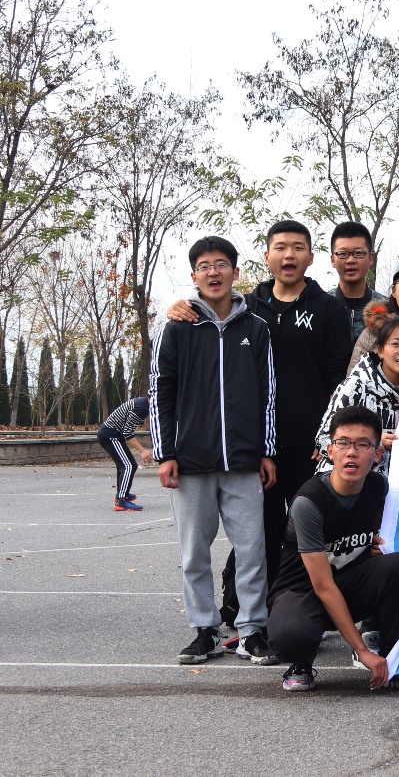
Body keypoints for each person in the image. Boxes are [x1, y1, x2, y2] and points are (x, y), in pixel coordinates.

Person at [168, 220, 352, 628]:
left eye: (298, 247)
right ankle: (247, 614)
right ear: (266, 256)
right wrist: (178, 305)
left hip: (310, 445)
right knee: (256, 536)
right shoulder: (247, 308)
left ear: (311, 257)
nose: (289, 255)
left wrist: (330, 437)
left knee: (311, 530)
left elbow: (337, 378)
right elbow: (208, 313)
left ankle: (306, 611)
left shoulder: (328, 309)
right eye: (280, 247)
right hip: (254, 446)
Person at [150, 235, 278, 667]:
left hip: (243, 461)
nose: (213, 272)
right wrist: (165, 452)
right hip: (191, 462)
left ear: (235, 272)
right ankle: (204, 628)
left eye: (221, 264)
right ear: (194, 275)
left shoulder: (255, 328)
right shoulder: (176, 328)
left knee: (252, 550)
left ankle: (251, 630)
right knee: (194, 552)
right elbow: (160, 392)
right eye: (204, 266)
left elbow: (268, 394)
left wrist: (267, 450)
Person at [267, 406, 399, 693]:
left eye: (362, 444)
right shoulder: (309, 502)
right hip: (304, 592)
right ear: (330, 451)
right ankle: (301, 662)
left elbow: (389, 534)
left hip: (348, 584)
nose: (351, 452)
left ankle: (396, 662)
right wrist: (361, 650)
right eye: (343, 443)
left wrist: (379, 547)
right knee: (290, 636)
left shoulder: (379, 488)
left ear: (377, 454)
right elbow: (323, 586)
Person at [315, 316, 399, 478]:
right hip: (345, 483)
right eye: (395, 344)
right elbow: (323, 440)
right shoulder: (356, 386)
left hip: (392, 484)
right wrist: (374, 443)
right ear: (380, 351)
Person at [328, 221, 383, 346]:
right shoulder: (321, 306)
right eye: (343, 254)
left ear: (370, 258)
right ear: (332, 260)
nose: (350, 260)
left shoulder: (385, 308)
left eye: (358, 253)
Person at [98, 395, 151, 511]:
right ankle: (121, 500)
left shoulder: (142, 403)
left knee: (130, 465)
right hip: (110, 435)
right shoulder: (142, 408)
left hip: (115, 435)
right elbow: (128, 433)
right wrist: (142, 451)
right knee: (128, 466)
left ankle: (122, 493)